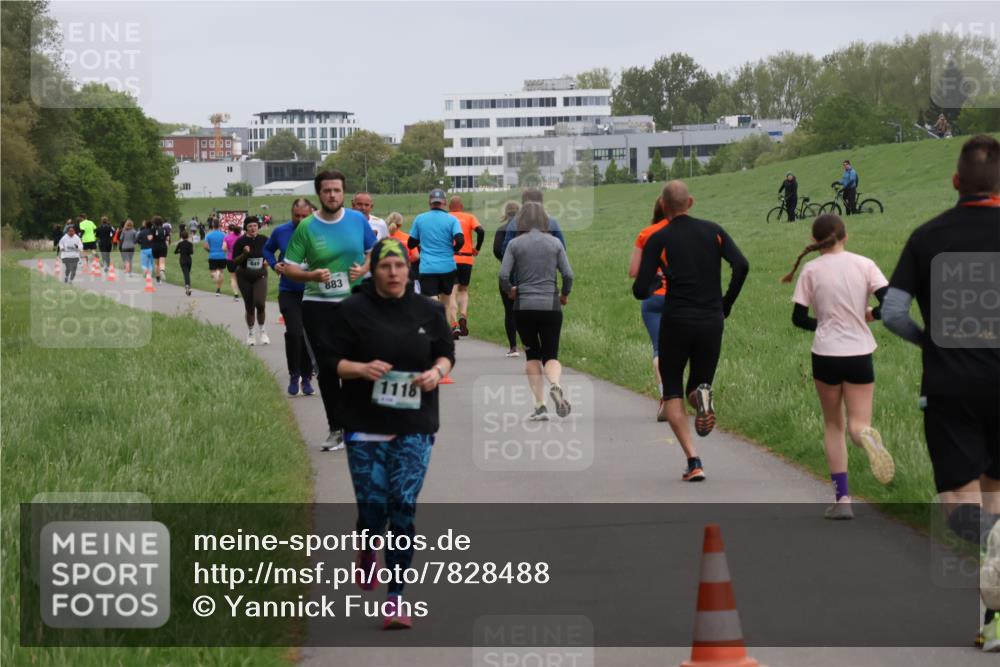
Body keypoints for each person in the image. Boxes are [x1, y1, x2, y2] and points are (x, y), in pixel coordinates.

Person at [881, 134, 1000, 650]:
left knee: (960, 504)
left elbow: (891, 312)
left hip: (950, 384)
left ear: (956, 182)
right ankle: (994, 620)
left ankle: (993, 613)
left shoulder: (928, 236)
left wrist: (930, 342)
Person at [329, 236, 455, 630]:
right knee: (372, 509)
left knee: (402, 504)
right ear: (374, 270)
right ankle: (367, 546)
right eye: (385, 266)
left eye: (400, 266)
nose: (394, 273)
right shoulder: (352, 310)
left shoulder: (429, 310)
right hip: (365, 423)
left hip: (414, 423)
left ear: (408, 269)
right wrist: (360, 369)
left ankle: (396, 597)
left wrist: (437, 373)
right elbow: (332, 363)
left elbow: (446, 353)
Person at [631, 181, 750, 482]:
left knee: (672, 391)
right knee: (698, 384)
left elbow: (639, 289)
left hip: (676, 321)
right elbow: (742, 265)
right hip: (711, 319)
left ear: (663, 205)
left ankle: (693, 460)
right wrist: (726, 302)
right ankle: (703, 395)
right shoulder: (715, 231)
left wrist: (657, 284)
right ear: (691, 202)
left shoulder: (659, 238)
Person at [782, 213, 895, 519]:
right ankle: (867, 438)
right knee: (858, 425)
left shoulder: (811, 270)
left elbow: (798, 319)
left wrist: (825, 324)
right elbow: (891, 304)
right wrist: (869, 315)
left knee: (834, 425)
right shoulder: (864, 264)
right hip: (859, 352)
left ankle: (843, 499)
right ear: (845, 236)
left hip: (826, 354)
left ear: (816, 241)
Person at [282, 169, 376, 452]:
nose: (332, 195)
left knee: (356, 366)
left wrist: (365, 268)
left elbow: (374, 251)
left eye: (336, 190)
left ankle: (354, 424)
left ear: (343, 192)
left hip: (356, 302)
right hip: (318, 306)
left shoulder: (358, 220)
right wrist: (311, 276)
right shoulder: (307, 227)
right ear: (319, 194)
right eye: (327, 191)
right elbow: (289, 267)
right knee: (327, 368)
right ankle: (336, 428)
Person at [499, 202, 574, 421]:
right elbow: (568, 274)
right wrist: (564, 295)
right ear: (545, 220)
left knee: (532, 356)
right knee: (551, 355)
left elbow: (503, 275)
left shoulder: (514, 244)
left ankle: (540, 406)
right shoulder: (555, 243)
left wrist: (511, 290)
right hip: (550, 304)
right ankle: (556, 385)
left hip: (523, 306)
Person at [264, 198, 316, 396]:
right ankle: (294, 375)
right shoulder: (281, 231)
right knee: (294, 333)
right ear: (291, 213)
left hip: (313, 292)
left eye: (305, 216)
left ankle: (307, 376)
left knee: (309, 336)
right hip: (289, 291)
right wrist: (273, 264)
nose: (301, 219)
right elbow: (268, 249)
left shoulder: (319, 231)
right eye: (297, 216)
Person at [628, 198, 669, 421]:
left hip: (654, 298)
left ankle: (665, 397)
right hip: (681, 299)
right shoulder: (686, 233)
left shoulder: (646, 234)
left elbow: (633, 271)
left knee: (659, 349)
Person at [407, 189, 464, 338]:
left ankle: (436, 327)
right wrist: (453, 250)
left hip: (428, 267)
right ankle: (445, 330)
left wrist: (422, 239)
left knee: (430, 297)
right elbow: (460, 240)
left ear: (429, 202)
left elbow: (411, 242)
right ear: (444, 202)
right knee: (446, 298)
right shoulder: (452, 220)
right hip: (448, 266)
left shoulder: (420, 219)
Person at [448, 196, 485, 337]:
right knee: (463, 289)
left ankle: (454, 324)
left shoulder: (447, 217)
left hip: (450, 257)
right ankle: (463, 315)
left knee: (452, 290)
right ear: (461, 206)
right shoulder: (469, 217)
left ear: (449, 207)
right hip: (467, 259)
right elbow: (481, 231)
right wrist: (477, 248)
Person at [232, 216, 270, 346]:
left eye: (255, 225)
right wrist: (244, 254)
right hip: (244, 276)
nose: (253, 228)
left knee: (260, 303)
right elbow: (234, 261)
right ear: (246, 228)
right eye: (249, 226)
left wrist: (268, 261)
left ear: (258, 227)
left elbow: (271, 253)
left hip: (260, 275)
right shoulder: (240, 242)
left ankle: (263, 331)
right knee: (249, 307)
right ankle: (251, 333)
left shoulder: (264, 240)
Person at [492, 201, 521, 357]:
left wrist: (505, 260)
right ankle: (530, 345)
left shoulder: (501, 230)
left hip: (507, 272)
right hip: (526, 272)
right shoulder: (526, 229)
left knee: (509, 311)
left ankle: (513, 347)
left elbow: (496, 250)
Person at [385, 212, 421, 284]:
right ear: (400, 224)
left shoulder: (383, 237)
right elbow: (416, 256)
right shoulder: (407, 237)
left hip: (387, 272)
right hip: (405, 271)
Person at [202, 218, 228, 296]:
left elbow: (205, 246)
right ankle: (218, 290)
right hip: (222, 256)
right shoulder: (224, 235)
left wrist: (211, 251)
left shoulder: (208, 235)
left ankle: (215, 274)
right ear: (219, 225)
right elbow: (226, 246)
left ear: (212, 225)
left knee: (212, 273)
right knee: (221, 272)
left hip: (212, 256)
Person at [223, 223, 242, 300]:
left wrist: (230, 251)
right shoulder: (241, 237)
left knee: (233, 277)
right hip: (240, 259)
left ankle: (236, 294)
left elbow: (224, 248)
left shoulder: (227, 237)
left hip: (230, 259)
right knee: (241, 277)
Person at [174, 229, 195, 296]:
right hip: (189, 260)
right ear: (188, 236)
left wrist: (180, 251)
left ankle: (187, 285)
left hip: (182, 260)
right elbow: (191, 252)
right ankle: (188, 288)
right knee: (187, 273)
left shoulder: (180, 244)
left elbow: (175, 252)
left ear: (181, 237)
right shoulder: (190, 244)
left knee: (186, 274)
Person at [151, 216, 169, 283]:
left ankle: (158, 279)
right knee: (162, 262)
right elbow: (167, 239)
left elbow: (150, 238)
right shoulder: (165, 229)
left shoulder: (153, 229)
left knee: (156, 263)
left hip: (155, 246)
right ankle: (162, 271)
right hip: (163, 246)